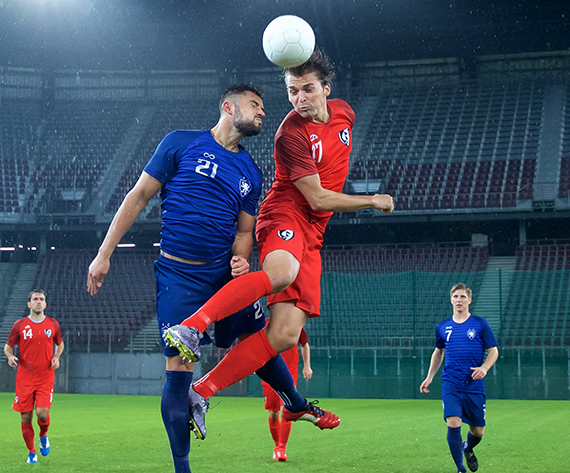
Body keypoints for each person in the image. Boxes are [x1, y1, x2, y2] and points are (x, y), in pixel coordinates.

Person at [164, 49, 393, 431]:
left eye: (306, 90)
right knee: (282, 271)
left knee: (285, 334)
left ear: (326, 89)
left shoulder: (346, 113)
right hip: (286, 211)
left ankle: (201, 390)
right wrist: (372, 200)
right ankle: (194, 324)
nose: (299, 99)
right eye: (291, 91)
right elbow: (317, 197)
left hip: (315, 232)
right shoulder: (290, 134)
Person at [86, 83, 268, 473]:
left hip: (221, 278)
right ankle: (182, 468)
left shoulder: (251, 172)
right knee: (179, 369)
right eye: (255, 105)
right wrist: (104, 254)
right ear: (227, 107)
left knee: (262, 338)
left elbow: (243, 232)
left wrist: (240, 260)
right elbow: (138, 196)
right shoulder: (180, 143)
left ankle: (295, 401)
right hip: (177, 277)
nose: (262, 113)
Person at [420, 283, 499, 473]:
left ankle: (468, 447)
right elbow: (438, 353)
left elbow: (494, 351)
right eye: (456, 296)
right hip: (451, 383)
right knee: (453, 421)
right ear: (451, 300)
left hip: (474, 385)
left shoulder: (480, 324)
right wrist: (430, 376)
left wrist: (485, 368)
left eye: (463, 297)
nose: (459, 300)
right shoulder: (443, 327)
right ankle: (460, 469)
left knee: (478, 431)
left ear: (469, 300)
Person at [4, 290, 64, 465]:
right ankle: (31, 452)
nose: (39, 302)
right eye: (35, 299)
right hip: (25, 378)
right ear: (29, 304)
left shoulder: (53, 324)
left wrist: (56, 357)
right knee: (26, 418)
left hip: (45, 376)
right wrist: (10, 357)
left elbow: (60, 344)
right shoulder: (20, 325)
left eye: (42, 299)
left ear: (45, 304)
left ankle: (43, 435)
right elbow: (8, 347)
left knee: (42, 413)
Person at [262, 327, 312, 462]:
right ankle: (277, 446)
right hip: (269, 371)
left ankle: (281, 449)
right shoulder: (265, 324)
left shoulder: (295, 323)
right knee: (273, 413)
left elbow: (304, 344)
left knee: (287, 409)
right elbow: (256, 345)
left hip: (290, 371)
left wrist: (307, 365)